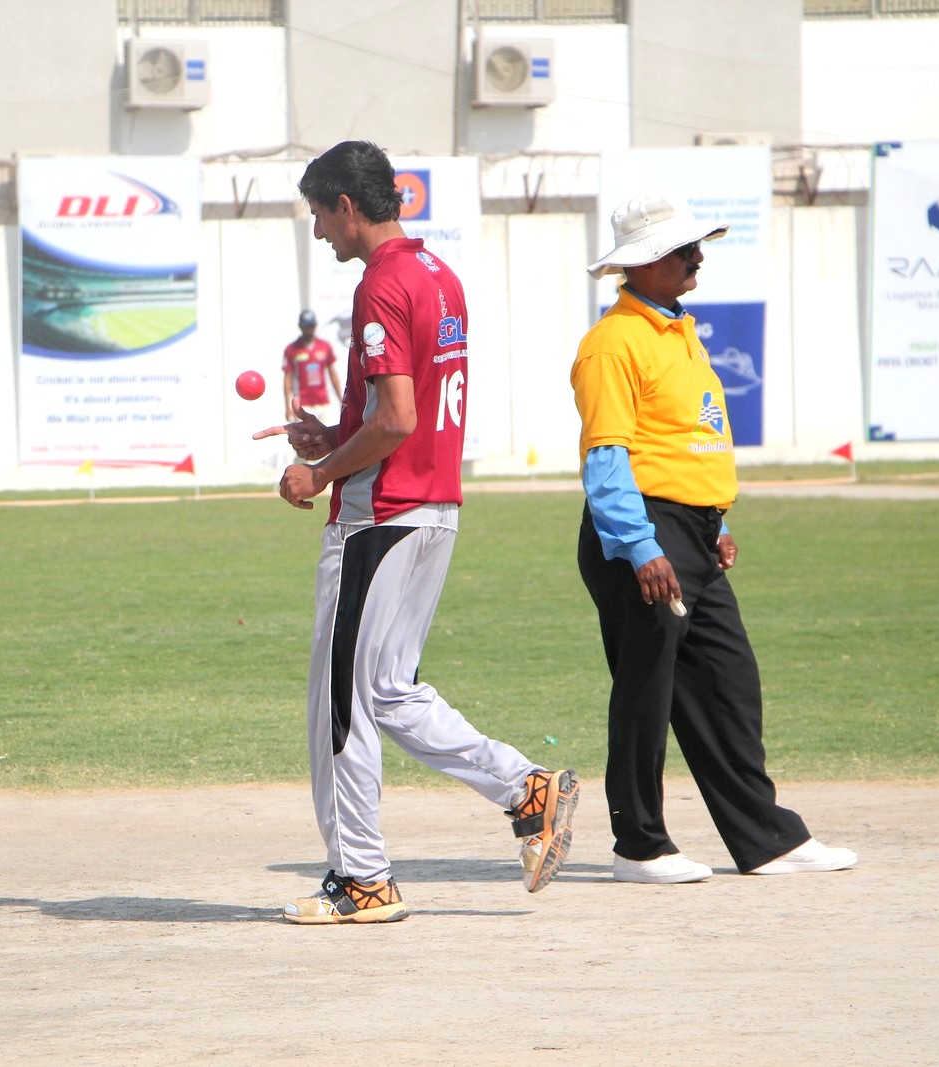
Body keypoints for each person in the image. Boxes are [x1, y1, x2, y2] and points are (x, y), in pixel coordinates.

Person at [253, 140, 578, 924]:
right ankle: (526, 788)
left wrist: (320, 470)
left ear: (346, 206)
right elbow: (407, 408)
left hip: (380, 517)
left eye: (319, 214)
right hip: (434, 508)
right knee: (388, 691)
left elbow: (397, 417)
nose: (319, 231)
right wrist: (336, 433)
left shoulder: (382, 282)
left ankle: (361, 878)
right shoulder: (439, 274)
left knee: (340, 703)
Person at [570, 193, 857, 884]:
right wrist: (642, 547)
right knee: (646, 691)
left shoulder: (678, 330)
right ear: (643, 263)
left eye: (697, 246)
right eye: (683, 249)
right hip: (644, 532)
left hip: (691, 532)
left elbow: (684, 438)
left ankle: (767, 839)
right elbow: (606, 459)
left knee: (729, 683)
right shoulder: (613, 342)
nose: (699, 257)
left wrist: (716, 522)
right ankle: (639, 847)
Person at [282, 308, 342, 424]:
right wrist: (287, 406)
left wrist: (341, 398)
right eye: (306, 327)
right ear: (300, 326)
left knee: (328, 434)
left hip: (323, 403)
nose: (309, 330)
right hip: (303, 405)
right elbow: (287, 378)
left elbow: (332, 373)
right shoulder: (292, 349)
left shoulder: (324, 346)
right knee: (305, 435)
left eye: (311, 326)